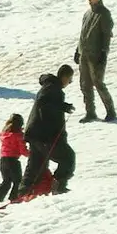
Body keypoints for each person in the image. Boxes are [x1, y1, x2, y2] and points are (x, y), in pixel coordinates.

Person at [23, 65, 76, 194]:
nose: (69, 82)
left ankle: (22, 194)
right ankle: (58, 186)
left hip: (36, 134)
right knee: (68, 158)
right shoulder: (53, 88)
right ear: (64, 77)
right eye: (69, 79)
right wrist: (62, 106)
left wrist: (62, 106)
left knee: (35, 166)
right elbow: (44, 103)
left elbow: (46, 104)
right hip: (46, 136)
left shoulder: (49, 86)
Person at [75, 0, 116, 120]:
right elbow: (83, 33)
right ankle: (90, 112)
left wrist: (103, 53)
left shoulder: (104, 14)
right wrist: (77, 50)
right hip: (84, 53)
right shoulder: (87, 13)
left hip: (96, 55)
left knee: (98, 83)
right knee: (85, 84)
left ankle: (110, 110)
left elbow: (106, 35)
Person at [0, 113, 27, 212]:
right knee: (17, 181)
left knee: (6, 182)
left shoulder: (4, 134)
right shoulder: (18, 135)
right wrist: (32, 154)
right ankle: (14, 198)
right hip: (13, 160)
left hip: (3, 160)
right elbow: (23, 150)